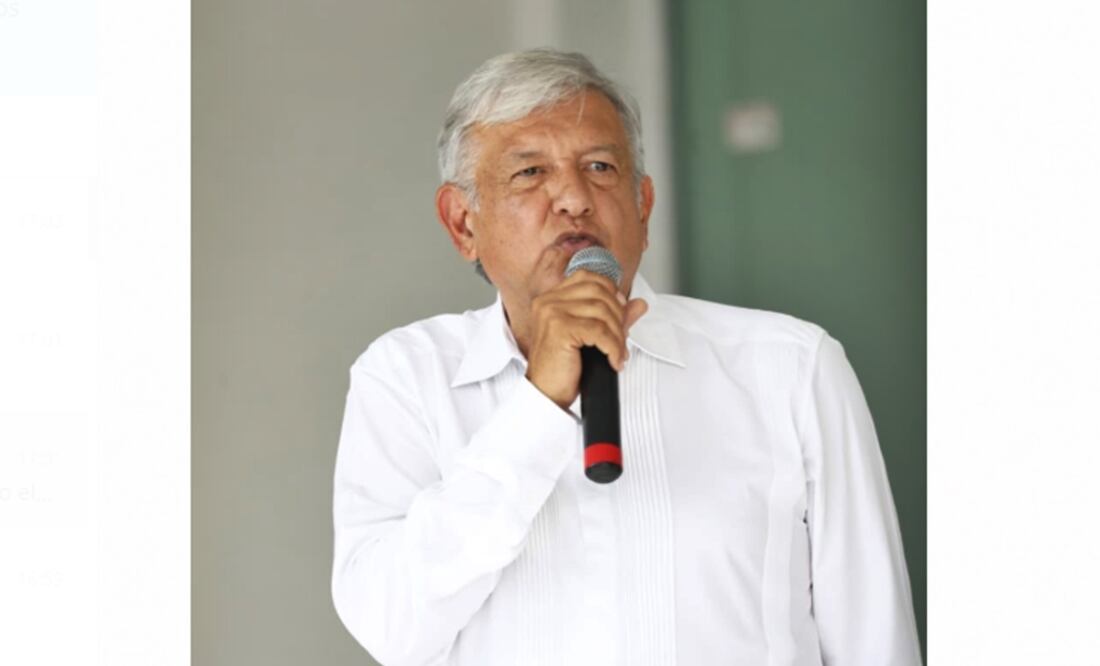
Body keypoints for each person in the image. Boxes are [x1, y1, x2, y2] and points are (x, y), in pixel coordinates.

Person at [331, 48, 922, 666]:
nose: (574, 199)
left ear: (643, 206)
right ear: (461, 224)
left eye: (600, 166)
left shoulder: (790, 369)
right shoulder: (404, 377)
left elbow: (874, 637)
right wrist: (538, 407)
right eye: (530, 173)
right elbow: (392, 627)